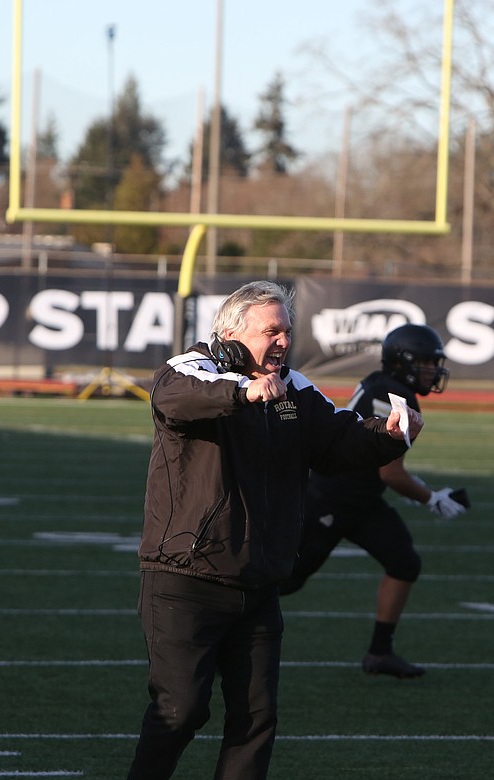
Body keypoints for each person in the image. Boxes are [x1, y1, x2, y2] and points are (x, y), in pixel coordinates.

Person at [128, 280, 422, 780]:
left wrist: (388, 436)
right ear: (230, 330)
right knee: (180, 710)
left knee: (257, 720)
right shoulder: (191, 369)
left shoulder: (295, 388)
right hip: (186, 580)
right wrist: (242, 391)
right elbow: (173, 395)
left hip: (259, 583)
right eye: (272, 331)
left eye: (287, 331)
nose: (283, 342)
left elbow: (339, 440)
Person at [280, 324, 467, 679]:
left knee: (404, 562)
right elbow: (391, 473)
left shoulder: (384, 383)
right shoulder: (394, 394)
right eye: (426, 363)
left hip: (361, 498)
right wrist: (431, 498)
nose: (433, 370)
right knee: (284, 579)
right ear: (404, 362)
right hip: (330, 496)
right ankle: (218, 636)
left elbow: (386, 470)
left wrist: (418, 488)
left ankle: (380, 652)